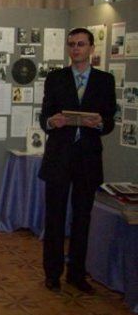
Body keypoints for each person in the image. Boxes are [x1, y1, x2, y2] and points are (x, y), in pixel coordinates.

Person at [39, 28, 116, 294]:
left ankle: (76, 273)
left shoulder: (105, 81)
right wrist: (52, 121)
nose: (75, 49)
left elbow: (109, 123)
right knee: (54, 218)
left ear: (92, 48)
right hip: (59, 157)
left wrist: (100, 122)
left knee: (83, 219)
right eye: (71, 44)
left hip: (88, 160)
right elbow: (44, 117)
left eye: (81, 44)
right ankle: (52, 273)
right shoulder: (56, 78)